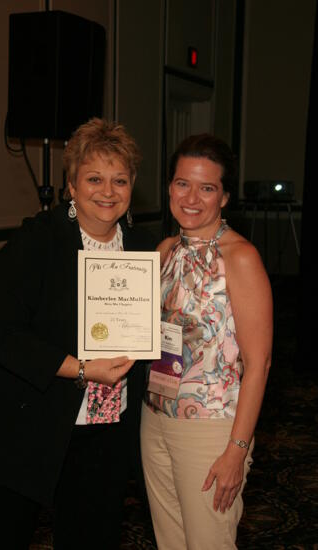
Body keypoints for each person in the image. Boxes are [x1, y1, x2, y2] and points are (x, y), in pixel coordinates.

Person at [0, 118, 155, 549]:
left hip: (103, 433)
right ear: (70, 185)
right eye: (94, 178)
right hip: (23, 424)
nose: (108, 191)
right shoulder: (38, 242)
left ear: (132, 186)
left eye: (119, 180)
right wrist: (83, 369)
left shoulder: (145, 249)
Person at [141, 134, 273, 550]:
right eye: (183, 183)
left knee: (209, 543)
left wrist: (237, 450)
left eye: (207, 187)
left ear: (225, 196)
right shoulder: (163, 251)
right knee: (171, 542)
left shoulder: (240, 258)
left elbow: (260, 363)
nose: (192, 197)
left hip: (212, 426)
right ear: (169, 187)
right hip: (155, 416)